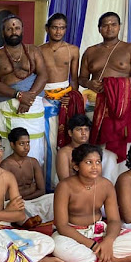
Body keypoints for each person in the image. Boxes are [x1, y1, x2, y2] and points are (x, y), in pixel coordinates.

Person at [0, 132, 66, 262]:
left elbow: (20, 216)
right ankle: (38, 260)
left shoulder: (8, 177)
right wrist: (7, 212)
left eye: (0, 148)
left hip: (6, 229)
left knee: (48, 242)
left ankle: (13, 260)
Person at [52, 144, 131, 262]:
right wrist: (93, 245)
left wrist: (108, 241)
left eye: (98, 162)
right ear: (76, 166)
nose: (95, 167)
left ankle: (100, 256)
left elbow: (114, 220)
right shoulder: (64, 187)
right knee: (59, 248)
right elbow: (62, 226)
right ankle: (117, 258)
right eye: (89, 162)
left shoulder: (106, 185)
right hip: (72, 234)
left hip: (99, 232)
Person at [79, 12, 131, 184]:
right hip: (95, 102)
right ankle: (96, 185)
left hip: (122, 103)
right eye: (105, 25)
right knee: (95, 143)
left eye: (113, 24)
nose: (109, 28)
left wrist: (116, 85)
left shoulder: (130, 48)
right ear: (99, 29)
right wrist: (90, 83)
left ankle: (120, 186)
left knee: (121, 144)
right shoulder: (91, 51)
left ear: (119, 26)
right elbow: (82, 78)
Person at [0, 15, 48, 161]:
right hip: (7, 104)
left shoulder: (34, 50)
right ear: (3, 33)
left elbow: (43, 75)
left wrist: (29, 97)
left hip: (32, 103)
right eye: (9, 29)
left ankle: (32, 173)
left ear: (22, 30)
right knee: (8, 147)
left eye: (17, 28)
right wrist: (19, 95)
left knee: (34, 146)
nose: (14, 32)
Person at [39, 13, 82, 191]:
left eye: (62, 28)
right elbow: (36, 76)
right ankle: (46, 184)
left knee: (63, 140)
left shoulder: (73, 50)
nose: (58, 31)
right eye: (55, 27)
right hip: (44, 99)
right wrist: (40, 95)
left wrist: (71, 96)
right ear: (47, 29)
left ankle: (62, 182)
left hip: (65, 99)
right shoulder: (39, 50)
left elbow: (74, 78)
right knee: (46, 144)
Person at [1, 128, 54, 227]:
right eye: (22, 144)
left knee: (53, 198)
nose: (26, 147)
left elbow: (42, 190)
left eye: (28, 143)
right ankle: (32, 220)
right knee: (14, 207)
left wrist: (25, 197)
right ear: (12, 145)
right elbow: (6, 196)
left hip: (34, 200)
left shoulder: (33, 162)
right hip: (18, 203)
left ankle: (34, 219)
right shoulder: (6, 165)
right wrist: (30, 190)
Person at [56, 114, 92, 181]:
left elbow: (97, 178)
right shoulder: (64, 153)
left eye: (86, 129)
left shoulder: (93, 151)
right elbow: (64, 182)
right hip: (71, 187)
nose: (84, 133)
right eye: (79, 129)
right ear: (70, 133)